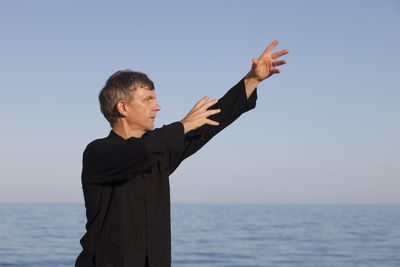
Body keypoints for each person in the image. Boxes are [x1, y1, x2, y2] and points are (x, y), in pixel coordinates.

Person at [75, 40, 289, 267]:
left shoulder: (160, 155)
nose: (157, 106)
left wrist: (252, 79)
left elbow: (211, 122)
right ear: (123, 107)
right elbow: (142, 149)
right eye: (148, 99)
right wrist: (183, 125)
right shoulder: (97, 153)